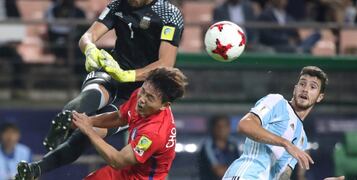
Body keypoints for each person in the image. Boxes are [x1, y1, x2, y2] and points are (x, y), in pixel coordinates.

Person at [14, 0, 184, 178]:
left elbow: (166, 63)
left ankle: (38, 169)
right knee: (89, 99)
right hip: (113, 71)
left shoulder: (169, 13)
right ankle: (60, 127)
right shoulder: (118, 5)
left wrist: (128, 75)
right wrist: (89, 49)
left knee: (87, 135)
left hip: (139, 88)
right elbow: (88, 36)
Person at [17, 67, 188, 180]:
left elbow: (118, 160)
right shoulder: (139, 95)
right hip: (126, 171)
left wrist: (89, 130)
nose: (142, 100)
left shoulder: (154, 132)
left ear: (165, 105)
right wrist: (88, 121)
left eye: (150, 98)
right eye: (143, 91)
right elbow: (119, 118)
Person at [222, 66, 328, 179]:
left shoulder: (302, 139)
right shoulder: (277, 102)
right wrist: (285, 143)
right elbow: (244, 125)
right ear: (295, 89)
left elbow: (283, 177)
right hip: (245, 175)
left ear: (319, 97)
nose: (305, 89)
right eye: (302, 84)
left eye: (312, 87)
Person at [198, 115, 240, 180]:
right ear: (213, 128)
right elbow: (218, 171)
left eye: (225, 126)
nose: (222, 129)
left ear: (229, 128)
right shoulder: (208, 145)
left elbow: (240, 168)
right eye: (219, 126)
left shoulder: (233, 144)